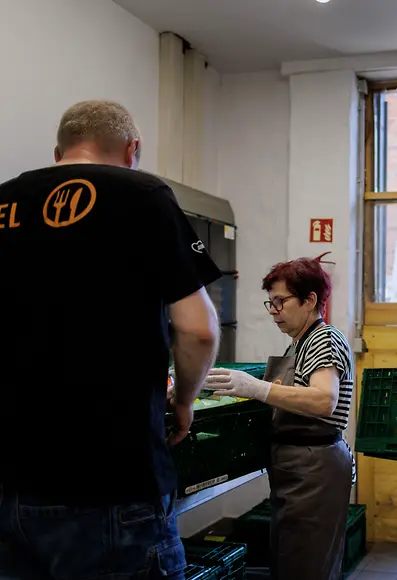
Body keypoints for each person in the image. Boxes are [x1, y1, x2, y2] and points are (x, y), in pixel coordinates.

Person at [0, 100, 222, 579]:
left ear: (58, 151)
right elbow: (198, 329)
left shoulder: (4, 202)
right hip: (113, 485)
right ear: (132, 150)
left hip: (13, 486)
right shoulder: (143, 195)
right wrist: (184, 400)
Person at [203, 257, 355, 580]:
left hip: (315, 470)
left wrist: (257, 388)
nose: (274, 311)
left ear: (310, 300)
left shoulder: (322, 340)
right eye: (270, 303)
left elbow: (323, 400)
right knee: (294, 562)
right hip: (298, 471)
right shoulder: (298, 345)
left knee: (307, 566)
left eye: (280, 302)